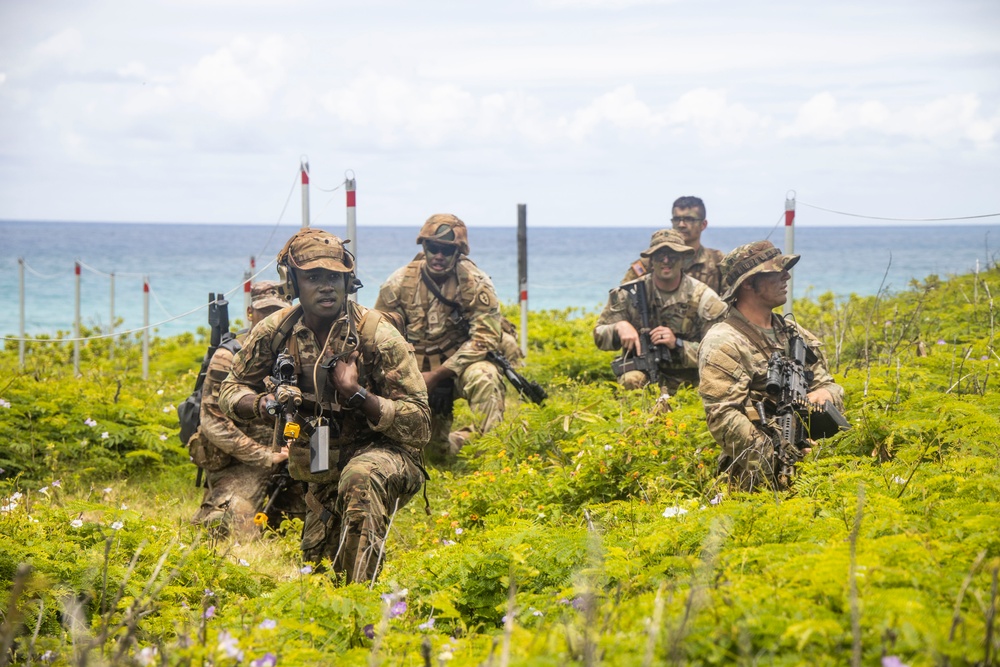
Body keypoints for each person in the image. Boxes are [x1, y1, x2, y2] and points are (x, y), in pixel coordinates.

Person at [219, 228, 430, 583]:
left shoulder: (375, 334)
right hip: (320, 462)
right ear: (293, 283)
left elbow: (420, 424)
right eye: (313, 277)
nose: (326, 286)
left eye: (334, 277)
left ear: (348, 282)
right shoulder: (277, 331)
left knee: (360, 479)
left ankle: (361, 606)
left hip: (386, 453)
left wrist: (358, 395)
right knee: (319, 573)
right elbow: (230, 390)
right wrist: (265, 403)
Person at [697, 240, 845, 491]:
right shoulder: (723, 341)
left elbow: (828, 384)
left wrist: (824, 395)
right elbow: (723, 417)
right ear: (748, 282)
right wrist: (779, 458)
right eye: (775, 271)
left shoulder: (792, 332)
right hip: (755, 478)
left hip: (813, 465)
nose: (786, 275)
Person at [375, 213, 508, 461]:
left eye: (446, 251)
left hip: (460, 367)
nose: (438, 255)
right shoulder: (399, 282)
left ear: (459, 253)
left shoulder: (475, 283)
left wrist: (439, 375)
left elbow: (485, 338)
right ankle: (465, 438)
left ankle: (495, 458)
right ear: (424, 247)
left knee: (485, 376)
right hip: (414, 371)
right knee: (436, 456)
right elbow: (379, 335)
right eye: (432, 247)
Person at [190, 281, 306, 537]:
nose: (271, 319)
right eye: (265, 312)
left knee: (312, 525)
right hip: (242, 463)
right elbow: (213, 423)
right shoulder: (229, 356)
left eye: (279, 312)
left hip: (293, 458)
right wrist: (264, 455)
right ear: (251, 313)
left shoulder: (303, 351)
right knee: (226, 523)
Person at [594, 229, 728, 398]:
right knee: (631, 379)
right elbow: (599, 336)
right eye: (659, 255)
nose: (666, 261)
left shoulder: (704, 298)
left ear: (683, 259)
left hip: (691, 382)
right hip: (643, 375)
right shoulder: (628, 293)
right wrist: (619, 328)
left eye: (672, 255)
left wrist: (678, 344)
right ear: (651, 261)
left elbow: (719, 353)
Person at [623, 196, 725, 293]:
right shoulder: (649, 262)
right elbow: (623, 296)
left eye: (689, 219)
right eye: (677, 219)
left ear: (703, 224)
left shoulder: (717, 261)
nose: (681, 225)